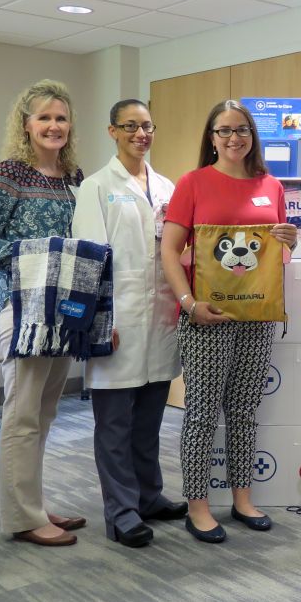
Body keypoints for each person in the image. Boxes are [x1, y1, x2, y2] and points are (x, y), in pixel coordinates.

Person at [160, 99, 297, 544]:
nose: (234, 137)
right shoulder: (193, 183)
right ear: (211, 137)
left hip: (256, 317)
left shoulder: (271, 186)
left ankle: (242, 498)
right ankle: (197, 504)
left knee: (243, 411)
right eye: (224, 130)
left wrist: (290, 239)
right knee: (201, 412)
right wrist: (188, 302)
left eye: (242, 129)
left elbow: (278, 251)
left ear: (252, 135)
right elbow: (168, 250)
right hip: (206, 317)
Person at [0, 80, 86, 546]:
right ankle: (21, 517)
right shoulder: (9, 174)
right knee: (22, 415)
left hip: (66, 309)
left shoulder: (74, 177)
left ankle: (33, 503)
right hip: (22, 310)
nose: (53, 126)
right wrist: (34, 255)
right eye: (44, 118)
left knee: (47, 412)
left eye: (61, 117)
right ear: (26, 124)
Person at [70, 99, 187, 549]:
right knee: (115, 425)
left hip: (159, 320)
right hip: (116, 320)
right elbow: (87, 258)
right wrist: (99, 321)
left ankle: (148, 496)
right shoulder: (97, 187)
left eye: (148, 126)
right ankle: (120, 513)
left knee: (149, 422)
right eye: (131, 126)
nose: (142, 134)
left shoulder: (166, 186)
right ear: (112, 131)